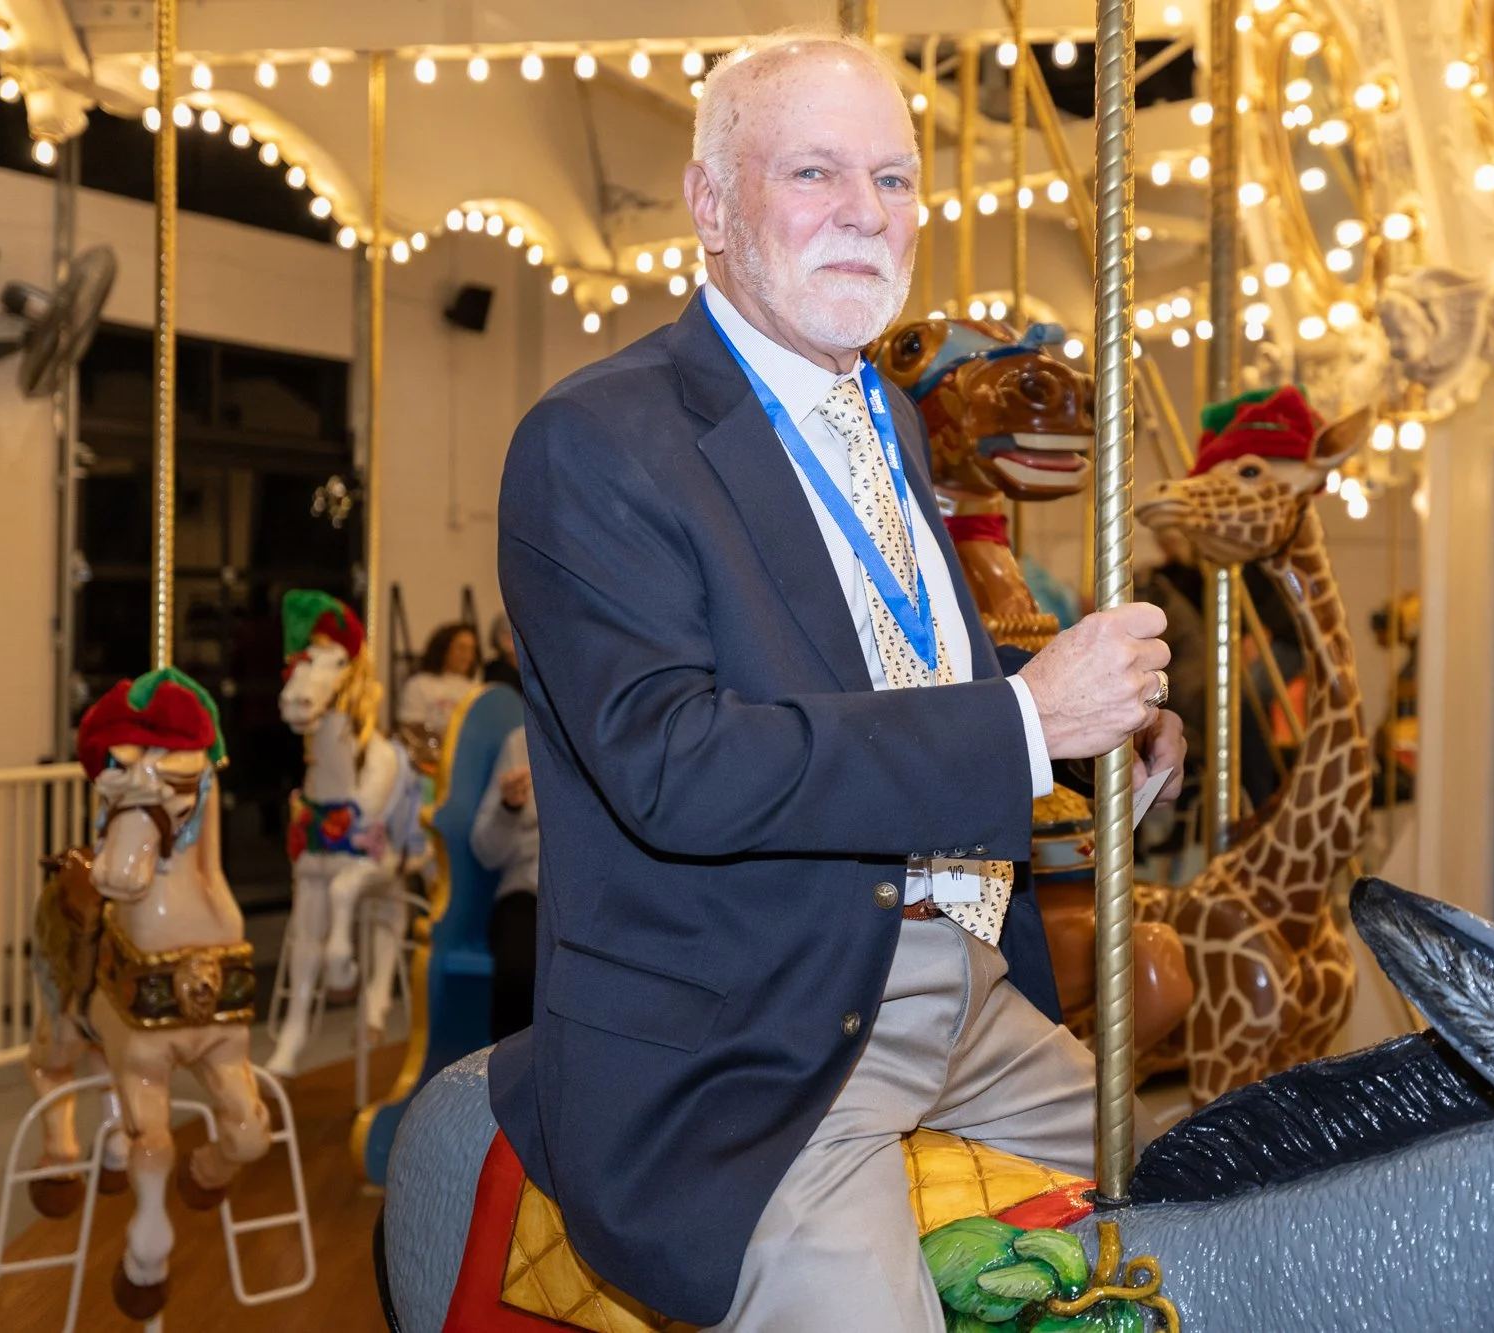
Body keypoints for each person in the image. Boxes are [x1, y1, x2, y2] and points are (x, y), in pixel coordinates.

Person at [490, 29, 1185, 1333]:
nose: (868, 215)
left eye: (896, 179)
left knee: (1197, 1213)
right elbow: (676, 765)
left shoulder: (891, 419)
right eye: (815, 173)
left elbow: (881, 671)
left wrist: (1089, 710)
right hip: (750, 1032)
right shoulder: (595, 441)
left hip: (964, 984)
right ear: (710, 203)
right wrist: (1030, 722)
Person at [471, 726, 537, 1040]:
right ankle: (511, 1081)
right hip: (528, 888)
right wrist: (508, 809)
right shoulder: (520, 741)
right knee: (518, 971)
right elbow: (486, 851)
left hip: (596, 895)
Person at [396, 621, 481, 737]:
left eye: (471, 649)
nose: (467, 655)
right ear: (444, 649)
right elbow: (411, 730)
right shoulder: (419, 685)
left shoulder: (477, 690)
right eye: (461, 648)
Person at [484, 612, 523, 689]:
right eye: (504, 633)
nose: (509, 637)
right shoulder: (493, 669)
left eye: (513, 633)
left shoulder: (532, 667)